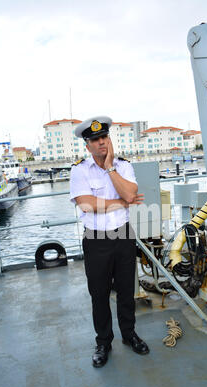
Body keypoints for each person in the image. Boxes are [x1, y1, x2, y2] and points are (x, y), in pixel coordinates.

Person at [70, 116, 150, 368]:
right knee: (99, 294)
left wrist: (109, 168)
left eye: (104, 137)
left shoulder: (123, 166)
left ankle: (129, 334)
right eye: (96, 139)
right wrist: (120, 204)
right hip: (96, 239)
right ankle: (103, 341)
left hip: (123, 235)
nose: (102, 142)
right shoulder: (79, 170)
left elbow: (130, 193)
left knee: (127, 289)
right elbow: (86, 204)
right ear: (88, 145)